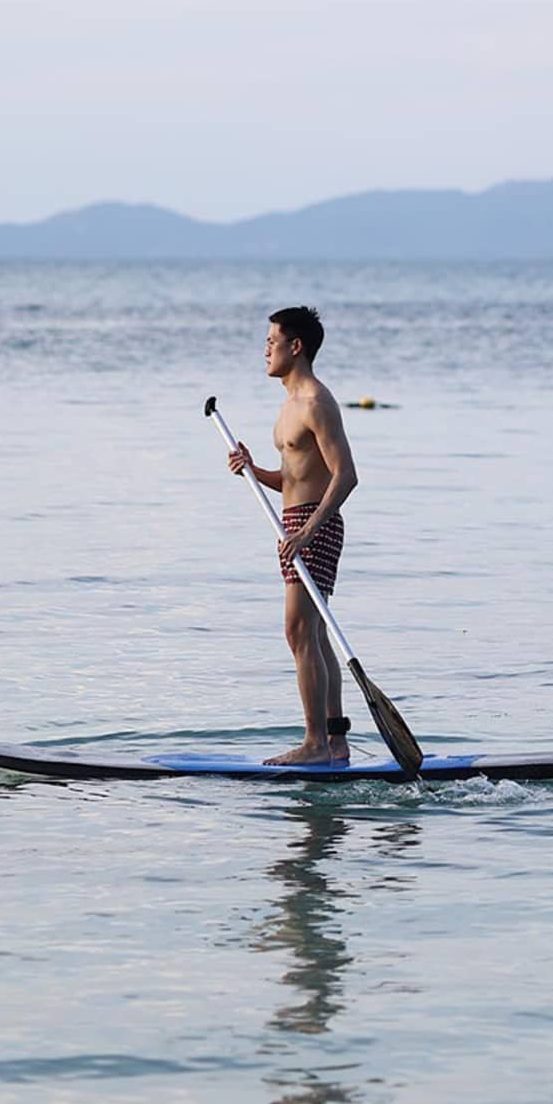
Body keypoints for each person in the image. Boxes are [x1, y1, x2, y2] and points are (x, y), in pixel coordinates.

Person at [227, 306, 359, 765]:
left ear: (295, 346)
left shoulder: (316, 404)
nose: (265, 349)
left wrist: (307, 530)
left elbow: (345, 477)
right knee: (315, 634)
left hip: (313, 526)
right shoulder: (288, 408)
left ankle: (315, 744)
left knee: (299, 630)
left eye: (272, 341)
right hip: (296, 523)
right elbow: (295, 477)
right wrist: (253, 469)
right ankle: (335, 741)